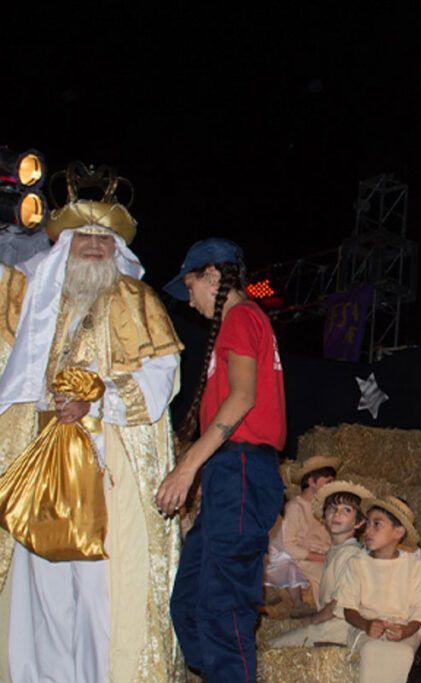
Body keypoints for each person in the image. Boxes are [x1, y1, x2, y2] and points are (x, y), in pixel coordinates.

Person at [0, 171, 184, 681]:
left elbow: (160, 376)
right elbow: (11, 368)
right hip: (41, 462)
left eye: (105, 239)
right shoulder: (38, 302)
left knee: (100, 593)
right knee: (42, 590)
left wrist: (97, 401)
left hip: (105, 465)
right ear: (63, 245)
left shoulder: (135, 298)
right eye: (85, 237)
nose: (96, 247)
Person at [159, 237, 286, 682]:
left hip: (242, 468)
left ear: (213, 275)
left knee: (220, 608)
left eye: (190, 286)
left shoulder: (242, 317)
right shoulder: (238, 324)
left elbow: (244, 397)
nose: (191, 302)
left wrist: (187, 465)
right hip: (228, 475)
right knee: (190, 604)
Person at [269, 480, 373, 648]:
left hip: (339, 628)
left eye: (347, 510)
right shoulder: (334, 552)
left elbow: (338, 604)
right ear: (323, 518)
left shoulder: (352, 555)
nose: (337, 514)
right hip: (329, 625)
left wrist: (312, 620)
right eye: (332, 509)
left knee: (273, 647)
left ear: (359, 522)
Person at [339, 495, 421, 683]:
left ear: (398, 532)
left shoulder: (415, 568)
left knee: (404, 653)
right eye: (368, 523)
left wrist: (405, 631)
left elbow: (420, 614)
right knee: (372, 650)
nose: (368, 530)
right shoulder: (357, 564)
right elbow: (348, 608)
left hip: (404, 631)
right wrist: (366, 625)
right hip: (364, 629)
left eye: (377, 524)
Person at [271, 455, 338, 614]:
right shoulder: (295, 507)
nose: (331, 486)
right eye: (327, 482)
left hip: (326, 556)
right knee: (331, 578)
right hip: (303, 559)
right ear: (311, 482)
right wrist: (319, 557)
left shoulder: (328, 508)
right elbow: (287, 545)